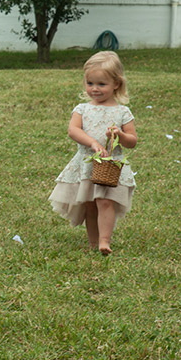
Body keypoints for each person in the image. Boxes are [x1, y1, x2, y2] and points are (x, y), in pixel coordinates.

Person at [48, 51, 138, 256]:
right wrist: (93, 142)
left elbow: (132, 141)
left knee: (105, 201)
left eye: (101, 84)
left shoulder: (122, 112)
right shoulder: (82, 109)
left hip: (110, 164)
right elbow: (73, 130)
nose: (94, 89)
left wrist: (120, 135)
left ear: (116, 83)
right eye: (90, 83)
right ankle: (92, 241)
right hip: (88, 162)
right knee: (90, 203)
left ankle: (105, 241)